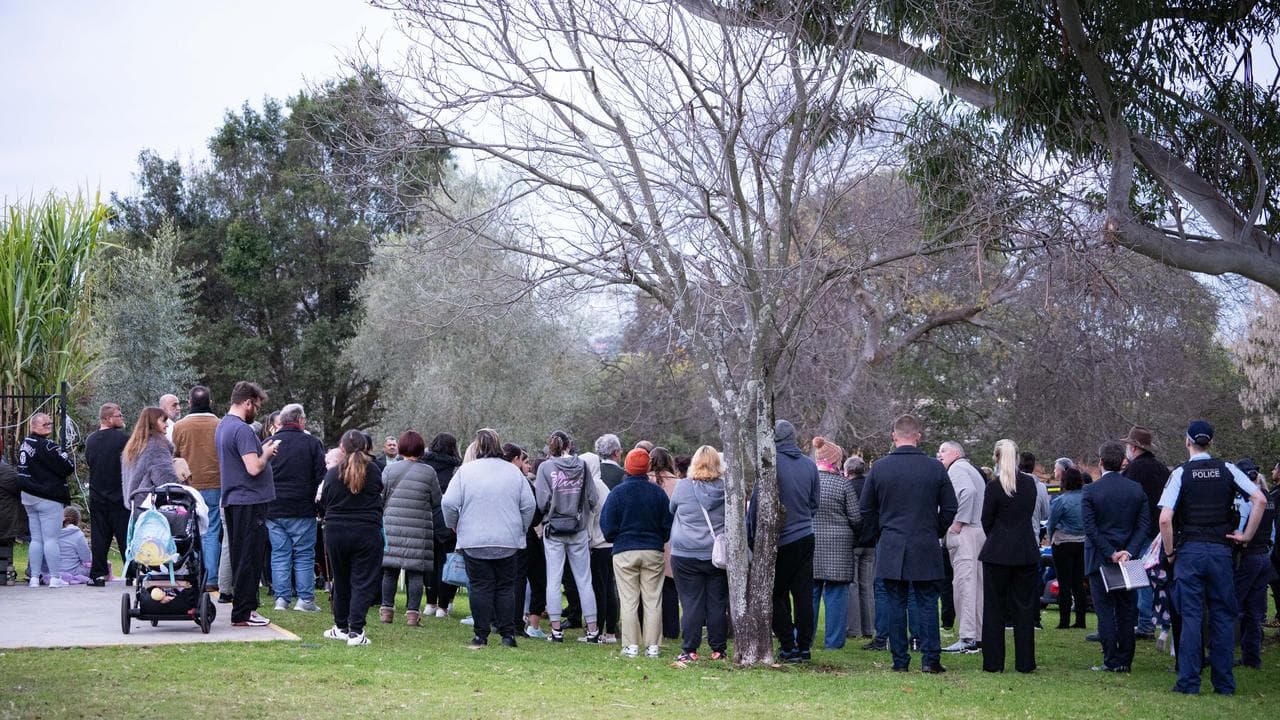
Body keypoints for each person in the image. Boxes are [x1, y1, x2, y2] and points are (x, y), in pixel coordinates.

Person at [1158, 421, 1267, 695]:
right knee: (1223, 616)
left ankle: (1189, 682)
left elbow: (1165, 519)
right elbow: (1260, 500)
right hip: (1221, 552)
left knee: (1192, 617)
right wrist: (1246, 536)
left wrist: (1170, 552)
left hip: (1190, 552)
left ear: (1187, 442)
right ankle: (1224, 684)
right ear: (1211, 442)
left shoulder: (1181, 473)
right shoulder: (1227, 469)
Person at [859, 414, 958, 673]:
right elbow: (950, 507)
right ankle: (930, 659)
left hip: (892, 542)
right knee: (927, 602)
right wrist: (934, 528)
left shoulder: (879, 468)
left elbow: (866, 509)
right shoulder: (934, 468)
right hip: (924, 541)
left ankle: (900, 660)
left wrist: (881, 532)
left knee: (895, 603)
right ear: (918, 436)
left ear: (894, 436)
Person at [442, 428, 534, 648]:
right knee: (505, 587)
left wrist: (453, 525)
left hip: (474, 538)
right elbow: (529, 505)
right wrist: (520, 527)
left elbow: (448, 503)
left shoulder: (466, 472)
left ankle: (480, 635)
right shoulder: (513, 472)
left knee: (480, 586)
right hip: (507, 539)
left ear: (477, 446)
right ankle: (507, 635)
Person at [747, 420, 821, 662]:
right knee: (803, 594)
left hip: (781, 539)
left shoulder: (770, 465)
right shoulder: (810, 466)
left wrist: (752, 537)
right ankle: (804, 646)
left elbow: (757, 505)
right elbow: (814, 503)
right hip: (806, 536)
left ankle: (788, 645)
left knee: (775, 593)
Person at [1082, 440, 1150, 673]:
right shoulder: (1136, 490)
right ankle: (1125, 659)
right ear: (1123, 462)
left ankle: (1111, 659)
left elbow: (1090, 528)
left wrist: (1111, 553)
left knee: (1105, 611)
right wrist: (1128, 551)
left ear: (1100, 462)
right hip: (1128, 558)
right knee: (1127, 610)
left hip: (1100, 558)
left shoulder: (1091, 491)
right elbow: (1143, 526)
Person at [215, 381, 279, 627]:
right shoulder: (242, 430)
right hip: (249, 500)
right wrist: (267, 454)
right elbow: (253, 467)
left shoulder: (223, 426)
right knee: (249, 557)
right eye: (257, 406)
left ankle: (242, 609)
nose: (258, 412)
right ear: (248, 403)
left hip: (233, 499)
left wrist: (260, 450)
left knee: (240, 553)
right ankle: (244, 611)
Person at [601, 447, 673, 658]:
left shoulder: (617, 493)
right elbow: (667, 525)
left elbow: (607, 526)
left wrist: (618, 537)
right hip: (652, 549)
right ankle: (653, 646)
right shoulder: (657, 493)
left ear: (627, 467)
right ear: (647, 467)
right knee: (652, 599)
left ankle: (631, 645)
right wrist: (658, 538)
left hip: (625, 550)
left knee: (629, 600)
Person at [978, 439, 1040, 673]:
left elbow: (986, 519)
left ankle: (993, 662)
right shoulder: (1030, 485)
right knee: (1024, 608)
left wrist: (997, 537)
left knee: (994, 608)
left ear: (996, 458)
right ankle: (1025, 662)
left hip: (997, 552)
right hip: (1024, 550)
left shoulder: (993, 487)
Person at [320, 430, 385, 646]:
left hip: (337, 532)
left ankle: (341, 626)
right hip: (366, 532)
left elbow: (323, 501)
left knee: (341, 579)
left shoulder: (332, 474)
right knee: (363, 581)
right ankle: (356, 630)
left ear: (341, 448)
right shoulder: (374, 471)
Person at [535, 431, 600, 642]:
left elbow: (541, 502)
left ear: (549, 447)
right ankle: (592, 630)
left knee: (553, 580)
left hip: (553, 529)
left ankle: (556, 631)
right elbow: (593, 498)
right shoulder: (582, 466)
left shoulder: (545, 468)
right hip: (578, 528)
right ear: (570, 445)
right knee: (584, 579)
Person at [669, 445, 729, 663]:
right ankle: (718, 649)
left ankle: (689, 649)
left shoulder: (683, 487)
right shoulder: (726, 489)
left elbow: (672, 510)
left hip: (685, 553)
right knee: (717, 603)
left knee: (691, 602)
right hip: (716, 554)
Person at [266, 403, 326, 613]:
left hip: (274, 508)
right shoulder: (311, 443)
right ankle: (305, 600)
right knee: (303, 554)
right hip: (302, 507)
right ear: (300, 420)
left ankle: (281, 599)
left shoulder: (269, 443)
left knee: (280, 553)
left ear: (281, 421)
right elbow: (322, 475)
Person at [379, 430, 441, 627]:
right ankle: (413, 614)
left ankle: (386, 611)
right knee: (416, 572)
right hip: (419, 527)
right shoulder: (429, 472)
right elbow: (436, 500)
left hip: (393, 525)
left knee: (390, 570)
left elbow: (382, 496)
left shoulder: (389, 470)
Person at [810, 436, 860, 650]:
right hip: (839, 547)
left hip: (811, 543)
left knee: (809, 594)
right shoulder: (843, 485)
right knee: (836, 596)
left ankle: (805, 638)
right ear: (836, 460)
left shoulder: (809, 481)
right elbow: (856, 517)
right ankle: (834, 642)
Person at [1119, 426, 1169, 639]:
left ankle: (1144, 622)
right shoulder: (1162, 469)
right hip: (1160, 531)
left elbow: (1126, 501)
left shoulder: (1134, 470)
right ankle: (1154, 621)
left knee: (1138, 578)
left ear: (1133, 447)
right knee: (1155, 576)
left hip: (1139, 531)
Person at [172, 386, 222, 592]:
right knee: (211, 530)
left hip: (189, 486)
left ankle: (193, 574)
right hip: (215, 483)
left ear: (190, 403)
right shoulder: (219, 424)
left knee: (189, 529)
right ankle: (211, 578)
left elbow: (175, 455)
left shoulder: (180, 426)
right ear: (210, 402)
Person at [937, 440, 985, 654]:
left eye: (943, 450)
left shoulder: (957, 469)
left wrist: (958, 522)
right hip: (977, 532)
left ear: (956, 452)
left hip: (966, 533)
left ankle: (967, 638)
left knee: (964, 585)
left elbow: (968, 493)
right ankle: (977, 636)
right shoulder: (970, 469)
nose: (940, 454)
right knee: (975, 586)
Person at [17, 412, 74, 587]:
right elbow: (67, 468)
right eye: (44, 424)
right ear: (33, 426)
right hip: (48, 497)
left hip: (28, 495)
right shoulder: (49, 446)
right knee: (51, 539)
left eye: (50, 423)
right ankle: (55, 578)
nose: (49, 426)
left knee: (36, 539)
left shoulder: (25, 443)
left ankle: (34, 577)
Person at [1231, 458, 1275, 669]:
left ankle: (1224, 653)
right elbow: (1273, 534)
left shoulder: (1247, 500)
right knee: (1255, 612)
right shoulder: (1268, 498)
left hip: (1247, 558)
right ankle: (1252, 658)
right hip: (1264, 557)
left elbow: (1239, 530)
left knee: (1232, 606)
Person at [84, 403, 130, 586]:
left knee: (99, 538)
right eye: (118, 415)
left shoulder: (91, 440)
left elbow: (89, 461)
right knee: (126, 537)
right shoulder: (123, 439)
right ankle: (132, 573)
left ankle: (98, 574)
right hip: (119, 496)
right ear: (108, 419)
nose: (121, 418)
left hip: (97, 495)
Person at [423, 432, 462, 618]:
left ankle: (430, 602)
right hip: (447, 519)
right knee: (448, 562)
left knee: (429, 562)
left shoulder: (424, 464)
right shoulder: (456, 468)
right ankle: (443, 605)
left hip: (426, 517)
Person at [585, 443, 619, 644]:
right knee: (608, 588)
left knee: (600, 589)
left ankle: (597, 630)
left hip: (598, 544)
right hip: (608, 544)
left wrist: (587, 539)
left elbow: (592, 517)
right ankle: (611, 631)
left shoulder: (594, 486)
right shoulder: (603, 485)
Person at [1046, 463, 1088, 629]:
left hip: (1063, 543)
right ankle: (1081, 620)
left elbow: (1051, 523)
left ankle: (1064, 621)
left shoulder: (1060, 501)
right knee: (1079, 583)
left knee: (1064, 583)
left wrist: (1051, 538)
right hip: (1082, 543)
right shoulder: (1086, 499)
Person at [649, 447, 682, 640]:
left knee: (650, 586)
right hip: (672, 538)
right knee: (670, 587)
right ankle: (671, 628)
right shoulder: (677, 483)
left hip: (652, 538)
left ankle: (652, 627)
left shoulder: (647, 480)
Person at [844, 455, 876, 641]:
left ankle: (854, 628)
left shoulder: (848, 487)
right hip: (870, 541)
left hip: (854, 541)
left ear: (848, 471)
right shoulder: (870, 487)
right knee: (867, 585)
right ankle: (869, 627)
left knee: (853, 584)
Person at [122, 407, 182, 504]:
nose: (166, 424)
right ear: (153, 422)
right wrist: (183, 490)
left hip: (136, 503)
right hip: (152, 504)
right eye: (163, 421)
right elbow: (165, 478)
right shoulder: (156, 445)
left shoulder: (134, 445)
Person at [56, 506, 92, 584]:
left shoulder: (52, 533)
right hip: (74, 570)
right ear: (77, 521)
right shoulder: (78, 534)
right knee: (99, 566)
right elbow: (86, 557)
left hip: (53, 570)